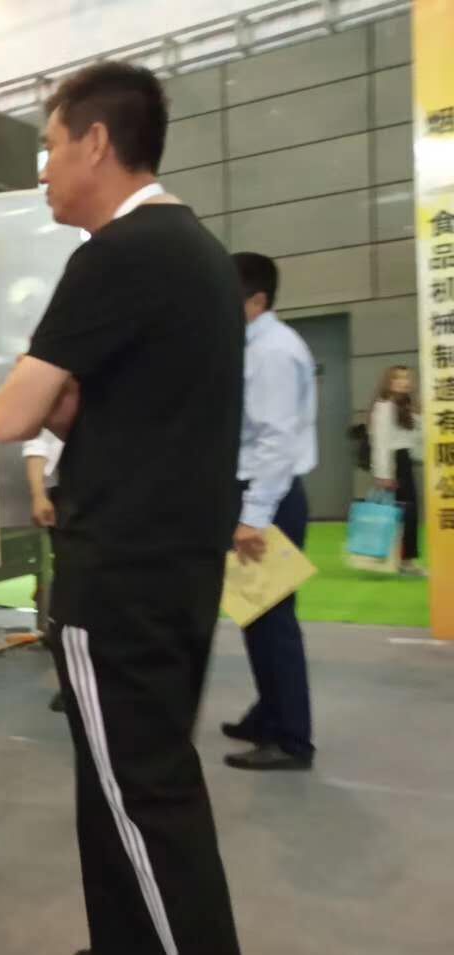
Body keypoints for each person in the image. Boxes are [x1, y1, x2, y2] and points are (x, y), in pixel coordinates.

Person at [0, 62, 259, 955]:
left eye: (51, 146)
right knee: (125, 778)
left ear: (97, 143)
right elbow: (122, 411)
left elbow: (16, 412)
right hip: (178, 567)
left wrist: (48, 390)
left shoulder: (116, 256)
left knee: (148, 792)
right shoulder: (199, 254)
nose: (45, 171)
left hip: (120, 574)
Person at [223, 252, 318, 772]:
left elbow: (275, 442)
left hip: (268, 498)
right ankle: (270, 715)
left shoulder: (273, 353)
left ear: (256, 300)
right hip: (261, 495)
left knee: (272, 618)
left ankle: (291, 738)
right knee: (258, 614)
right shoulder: (255, 347)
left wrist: (253, 517)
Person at [24, 428, 66, 712]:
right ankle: (70, 683)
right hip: (69, 495)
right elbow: (36, 445)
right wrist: (39, 495)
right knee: (72, 592)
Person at [369, 364, 425, 575]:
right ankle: (403, 561)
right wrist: (384, 474)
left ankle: (403, 559)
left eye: (407, 378)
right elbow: (380, 442)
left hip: (406, 461)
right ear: (389, 382)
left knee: (408, 514)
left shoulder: (408, 407)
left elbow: (417, 439)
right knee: (400, 513)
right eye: (398, 378)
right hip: (394, 463)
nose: (404, 382)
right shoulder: (384, 406)